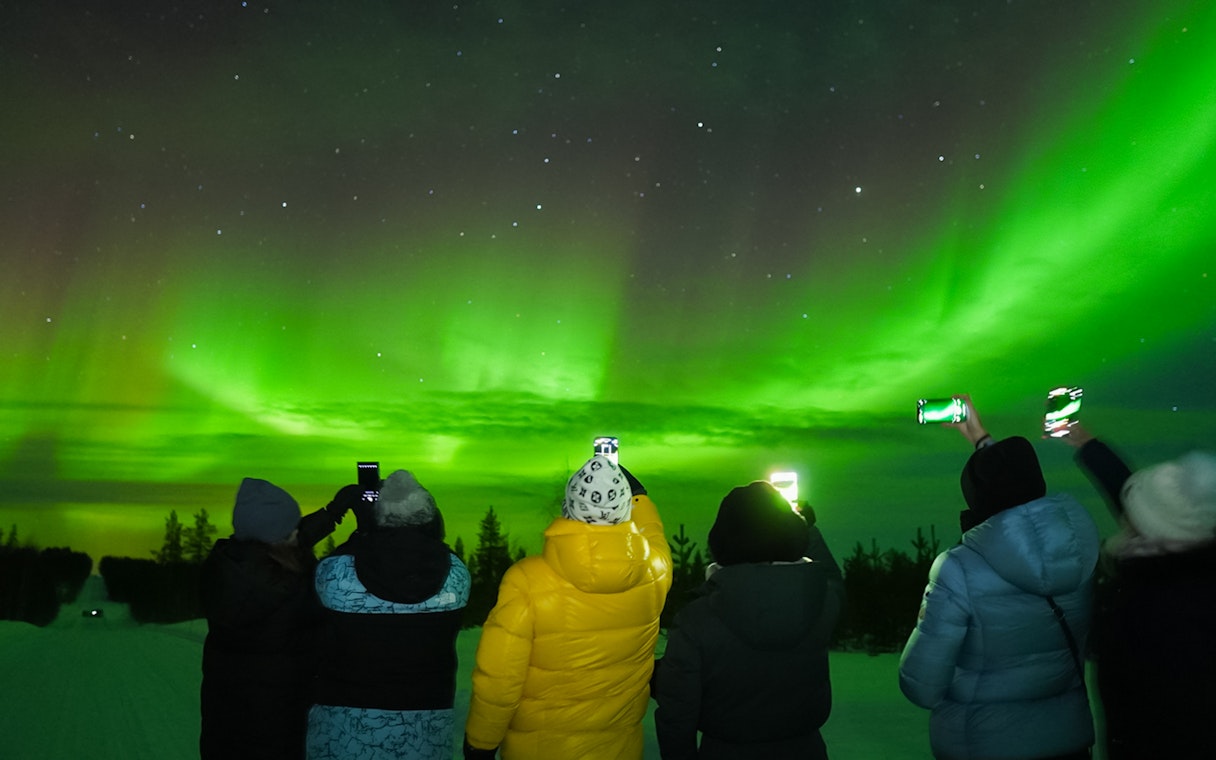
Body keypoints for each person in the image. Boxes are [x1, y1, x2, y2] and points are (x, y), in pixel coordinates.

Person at [898, 397, 1100, 760]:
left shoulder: (958, 569)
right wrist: (978, 436)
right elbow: (1014, 493)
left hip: (985, 746)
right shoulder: (1078, 551)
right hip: (1068, 744)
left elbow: (921, 686)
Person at [463, 455, 673, 759]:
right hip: (620, 748)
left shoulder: (526, 581)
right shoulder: (655, 571)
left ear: (568, 509)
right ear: (625, 510)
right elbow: (654, 533)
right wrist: (638, 496)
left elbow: (500, 679)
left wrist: (480, 744)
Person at [1056, 423, 1216, 759]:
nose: (1125, 518)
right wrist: (1088, 445)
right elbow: (1147, 503)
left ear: (1147, 530)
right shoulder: (1188, 558)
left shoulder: (1150, 610)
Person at [653, 481, 844, 759]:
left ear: (723, 541)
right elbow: (831, 578)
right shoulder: (822, 604)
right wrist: (807, 529)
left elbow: (677, 713)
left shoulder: (697, 619)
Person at [306, 469, 470, 760]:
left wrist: (344, 518)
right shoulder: (456, 576)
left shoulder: (336, 575)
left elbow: (284, 559)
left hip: (345, 732)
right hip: (425, 735)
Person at [200, 477, 355, 760]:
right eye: (291, 531)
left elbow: (285, 540)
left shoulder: (231, 566)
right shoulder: (292, 594)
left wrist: (332, 513)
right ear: (276, 541)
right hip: (275, 730)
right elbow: (329, 639)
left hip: (224, 730)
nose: (297, 535)